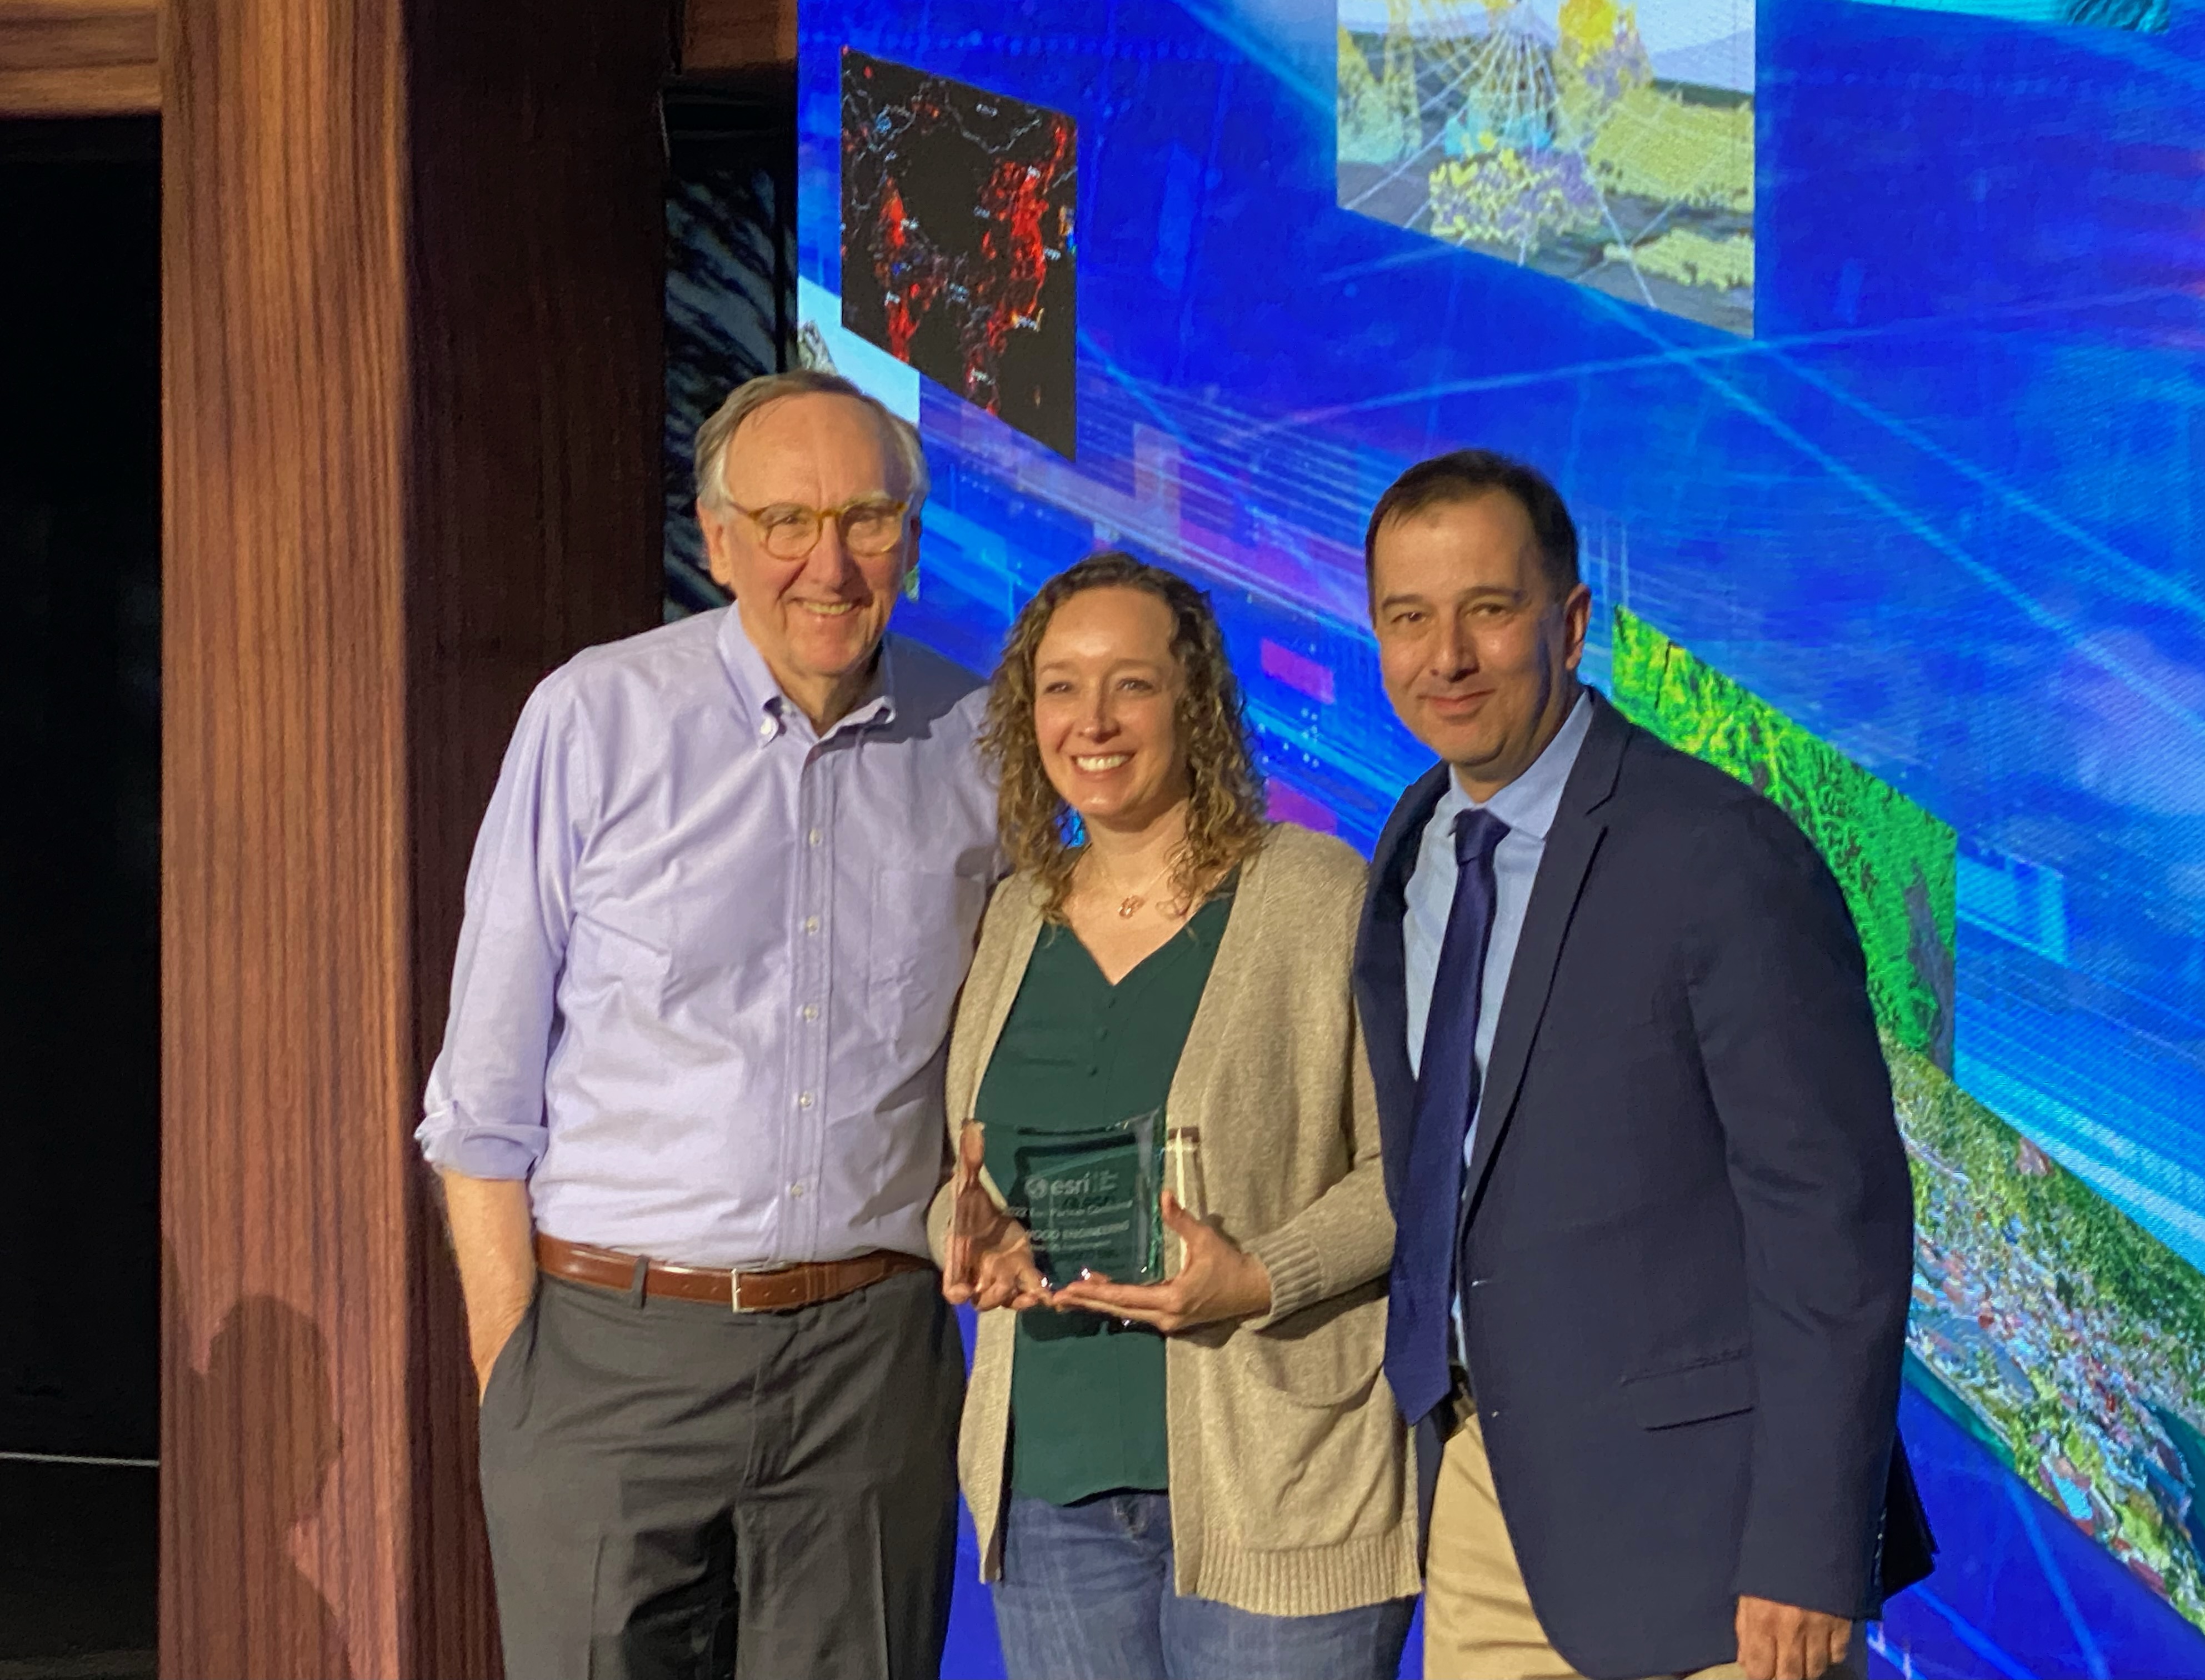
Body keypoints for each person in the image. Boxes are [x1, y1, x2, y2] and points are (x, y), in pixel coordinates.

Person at [416, 370, 998, 1679]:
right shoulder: (597, 717)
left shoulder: (983, 742)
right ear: (719, 539)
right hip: (610, 1357)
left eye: (867, 517)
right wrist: (520, 1382)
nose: (830, 564)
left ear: (913, 532)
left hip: (872, 1363)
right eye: (786, 521)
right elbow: (482, 1098)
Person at [1353, 451, 1928, 1680]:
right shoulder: (1414, 845)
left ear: (1570, 624)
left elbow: (1836, 1222)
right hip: (1482, 1501)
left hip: (1707, 1556)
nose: (1444, 656)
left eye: (1487, 610)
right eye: (1409, 618)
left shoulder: (1719, 856)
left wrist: (1809, 1553)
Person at [938, 552, 1418, 1680]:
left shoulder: (1317, 897)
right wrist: (966, 1240)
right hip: (1050, 1486)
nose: (1091, 721)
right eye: (1060, 686)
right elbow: (961, 1175)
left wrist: (1261, 1278)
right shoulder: (1016, 913)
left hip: (1281, 1478)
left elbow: (1415, 1171)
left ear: (1194, 701)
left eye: (1131, 684)